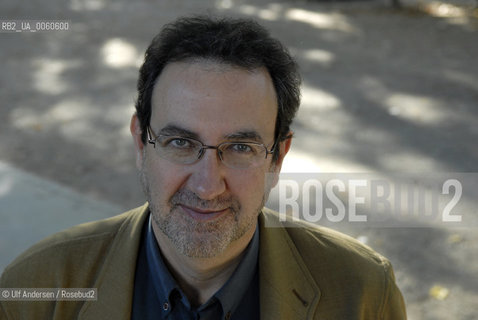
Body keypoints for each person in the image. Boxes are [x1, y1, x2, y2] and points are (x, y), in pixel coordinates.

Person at [0, 16, 406, 319]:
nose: (208, 185)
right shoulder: (38, 289)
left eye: (241, 147)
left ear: (278, 158)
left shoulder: (364, 293)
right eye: (180, 143)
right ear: (141, 142)